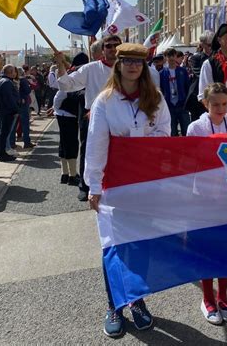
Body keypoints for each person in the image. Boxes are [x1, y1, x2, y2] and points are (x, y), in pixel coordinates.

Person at [84, 43, 171, 338]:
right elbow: (96, 145)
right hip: (114, 184)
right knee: (114, 246)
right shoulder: (104, 101)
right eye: (128, 61)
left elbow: (164, 136)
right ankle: (114, 306)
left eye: (138, 61)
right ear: (118, 64)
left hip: (144, 183)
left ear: (144, 66)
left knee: (140, 243)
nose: (133, 66)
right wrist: (93, 185)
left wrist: (137, 143)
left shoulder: (155, 98)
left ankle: (137, 299)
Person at [186, 82, 227, 324]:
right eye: (215, 104)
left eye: (224, 104)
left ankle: (223, 296)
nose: (220, 108)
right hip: (204, 195)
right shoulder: (195, 127)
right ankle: (207, 298)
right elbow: (189, 161)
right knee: (207, 247)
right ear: (205, 104)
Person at [54, 36, 123, 201]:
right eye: (109, 46)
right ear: (103, 50)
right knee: (88, 151)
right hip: (92, 116)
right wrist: (60, 63)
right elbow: (67, 85)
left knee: (119, 150)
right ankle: (85, 186)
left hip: (121, 116)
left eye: (116, 45)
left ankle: (117, 183)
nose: (112, 49)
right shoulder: (91, 68)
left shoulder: (130, 67)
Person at [53, 52, 89, 185]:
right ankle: (73, 176)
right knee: (71, 144)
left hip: (62, 112)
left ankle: (65, 173)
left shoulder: (73, 71)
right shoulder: (81, 72)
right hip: (68, 113)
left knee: (64, 143)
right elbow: (65, 93)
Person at [159, 48, 190, 136]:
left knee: (186, 131)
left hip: (182, 105)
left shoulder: (182, 71)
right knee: (171, 132)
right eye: (169, 56)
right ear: (165, 58)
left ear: (176, 56)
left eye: (173, 55)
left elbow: (187, 87)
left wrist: (186, 101)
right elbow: (160, 89)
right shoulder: (161, 73)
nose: (171, 58)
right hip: (169, 107)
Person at [186, 32, 214, 122]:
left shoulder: (217, 57)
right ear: (202, 44)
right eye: (209, 45)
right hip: (198, 96)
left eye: (213, 45)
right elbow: (200, 74)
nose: (211, 47)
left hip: (213, 95)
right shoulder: (196, 58)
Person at [0, 65, 19, 162]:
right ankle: (2, 155)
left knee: (3, 133)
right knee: (4, 133)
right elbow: (9, 99)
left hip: (4, 111)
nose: (15, 73)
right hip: (7, 112)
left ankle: (3, 153)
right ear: (10, 72)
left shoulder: (3, 81)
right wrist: (15, 110)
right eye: (14, 71)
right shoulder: (6, 83)